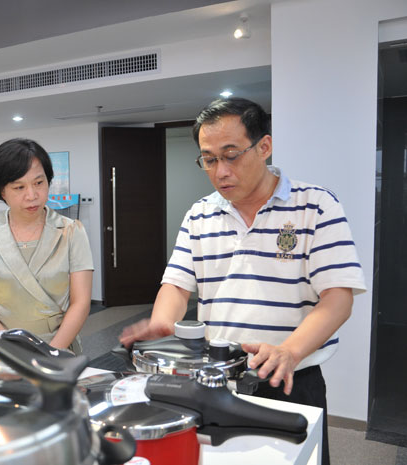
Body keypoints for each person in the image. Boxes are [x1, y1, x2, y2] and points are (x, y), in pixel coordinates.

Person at [120, 97, 365, 465]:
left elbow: (338, 299)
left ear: (264, 147)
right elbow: (176, 285)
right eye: (209, 159)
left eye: (231, 155)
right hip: (213, 378)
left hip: (288, 378)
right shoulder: (200, 214)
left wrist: (289, 351)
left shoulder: (316, 206)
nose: (220, 171)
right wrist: (163, 324)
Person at [0, 138, 93, 354]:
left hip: (59, 348)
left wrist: (50, 353)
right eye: (19, 187)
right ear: (2, 191)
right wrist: (11, 348)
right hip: (4, 349)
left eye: (39, 183)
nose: (32, 195)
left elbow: (80, 303)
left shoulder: (72, 232)